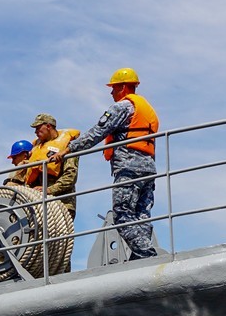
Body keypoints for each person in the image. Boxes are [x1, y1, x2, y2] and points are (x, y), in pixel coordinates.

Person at [56, 68, 159, 259]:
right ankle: (140, 258)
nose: (111, 92)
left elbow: (97, 132)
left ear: (123, 86)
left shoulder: (122, 107)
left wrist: (68, 150)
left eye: (113, 88)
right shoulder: (147, 109)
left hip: (129, 169)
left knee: (122, 215)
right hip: (149, 169)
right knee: (141, 216)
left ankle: (147, 254)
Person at [17, 113, 80, 218]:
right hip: (37, 203)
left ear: (48, 126)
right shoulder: (36, 147)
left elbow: (70, 176)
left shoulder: (67, 147)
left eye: (38, 128)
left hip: (62, 203)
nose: (35, 132)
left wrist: (48, 190)